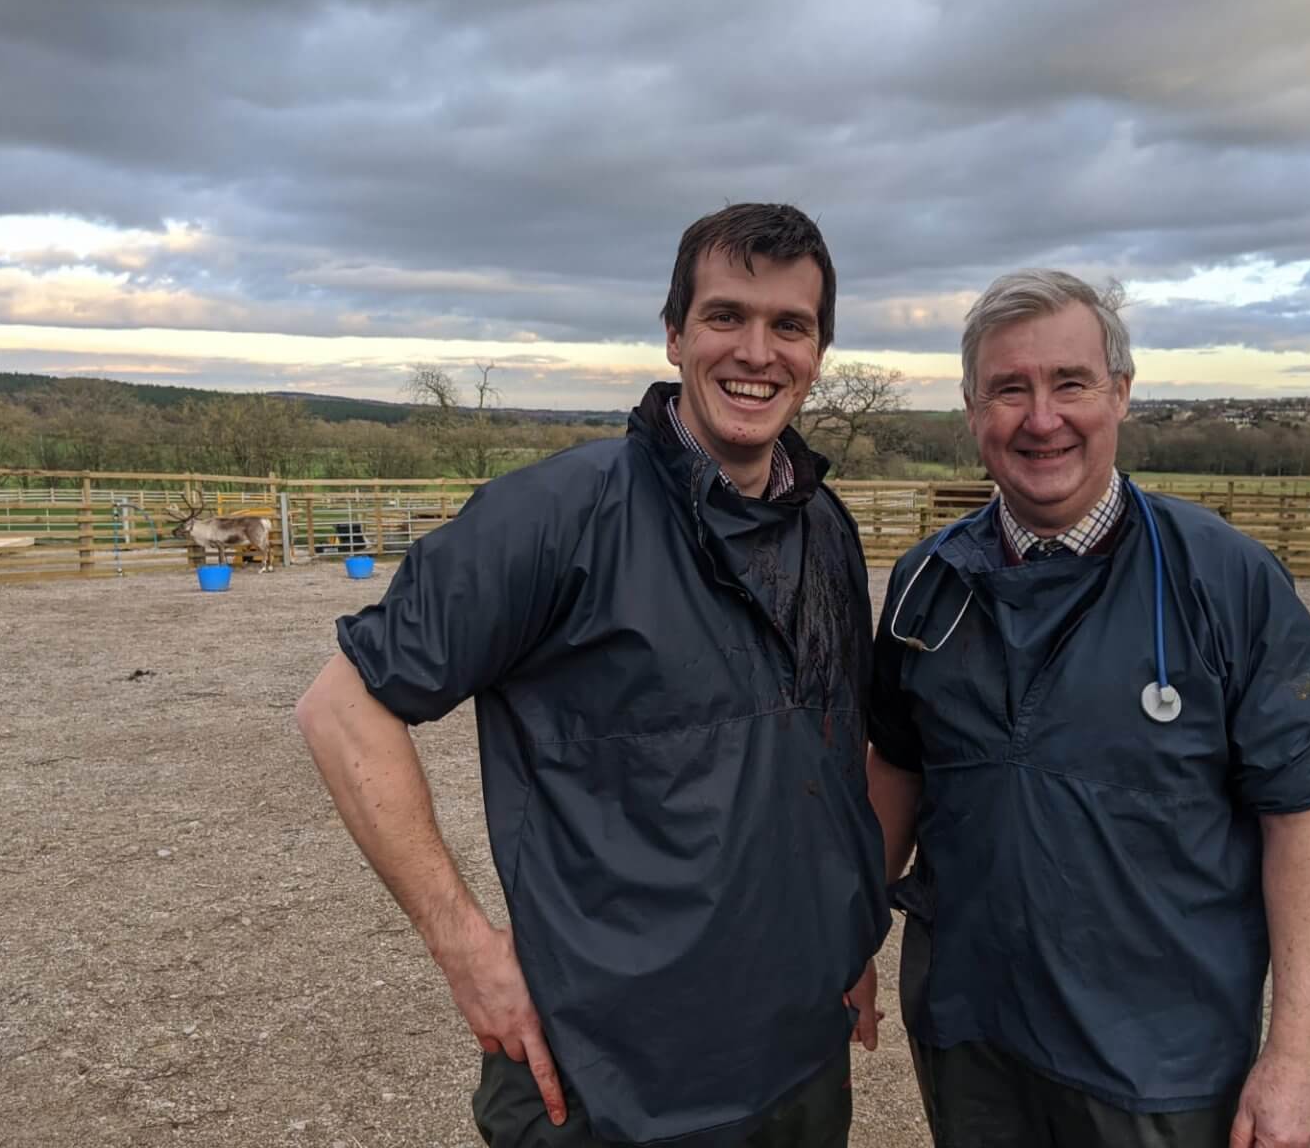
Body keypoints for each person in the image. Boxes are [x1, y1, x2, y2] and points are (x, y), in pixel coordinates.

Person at [295, 202, 889, 1148]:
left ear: (818, 353)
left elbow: (829, 752)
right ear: (673, 334)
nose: (757, 351)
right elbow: (341, 707)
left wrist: (849, 931)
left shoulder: (825, 532)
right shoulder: (556, 516)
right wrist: (464, 946)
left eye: (791, 326)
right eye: (726, 316)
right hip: (608, 1076)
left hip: (795, 1063)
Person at [861, 270, 1310, 1148]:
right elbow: (895, 768)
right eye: (1009, 388)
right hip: (972, 1035)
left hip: (1159, 1063)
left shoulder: (1224, 582)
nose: (1040, 418)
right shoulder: (927, 586)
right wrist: (851, 939)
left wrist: (1294, 1059)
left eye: (1070, 383)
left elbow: (1302, 820)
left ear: (1120, 394)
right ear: (973, 410)